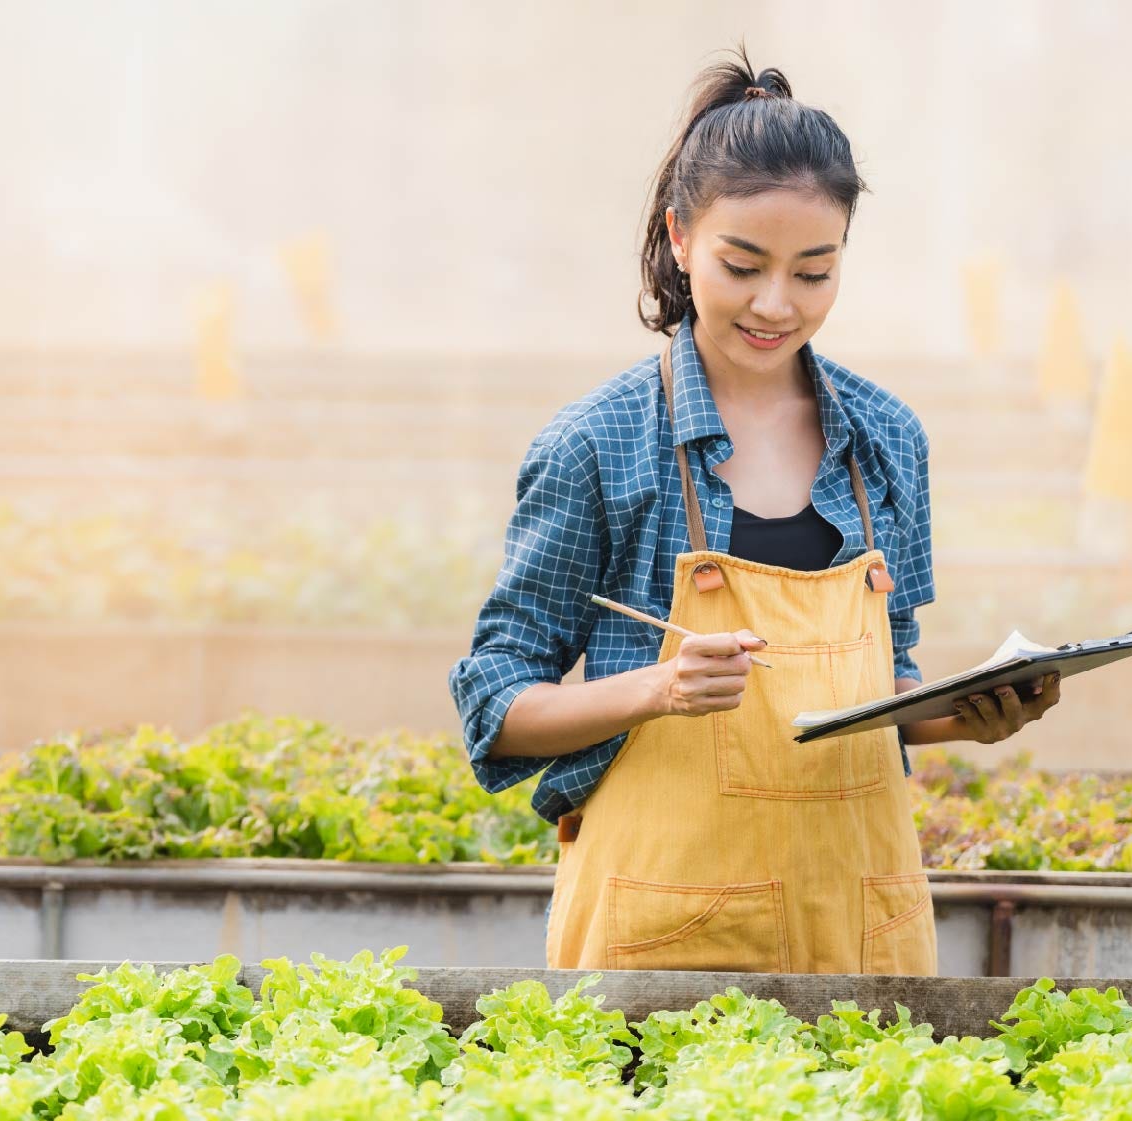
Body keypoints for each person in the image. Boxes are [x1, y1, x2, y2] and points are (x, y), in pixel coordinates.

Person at [448, 51, 1062, 975]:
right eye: (744, 265)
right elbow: (495, 704)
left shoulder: (887, 438)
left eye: (814, 273)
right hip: (661, 928)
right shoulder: (598, 444)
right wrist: (660, 689)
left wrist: (966, 713)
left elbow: (878, 693)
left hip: (858, 918)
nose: (777, 304)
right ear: (681, 237)